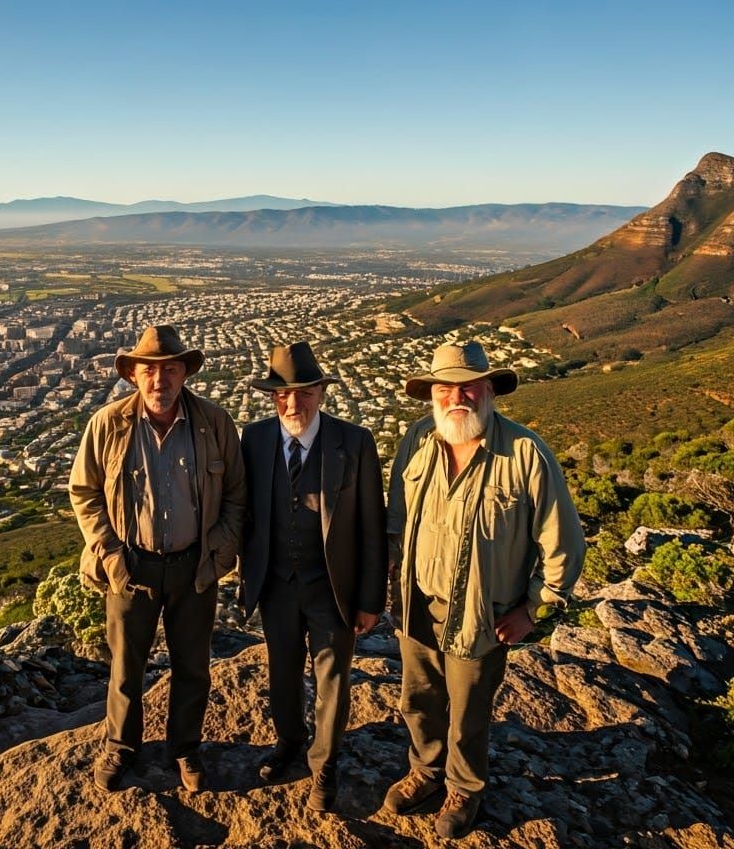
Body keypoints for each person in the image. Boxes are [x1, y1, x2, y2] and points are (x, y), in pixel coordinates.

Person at [382, 339, 585, 839]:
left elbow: (563, 543)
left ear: (488, 390)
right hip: (418, 602)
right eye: (446, 388)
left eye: (468, 387)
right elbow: (397, 519)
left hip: (482, 613)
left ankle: (464, 789)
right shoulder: (417, 440)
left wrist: (533, 609)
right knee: (419, 699)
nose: (458, 397)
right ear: (432, 394)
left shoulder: (524, 452)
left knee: (469, 711)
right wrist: (387, 582)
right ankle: (425, 772)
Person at [70, 324, 246, 793]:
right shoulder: (108, 425)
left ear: (185, 372)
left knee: (193, 666)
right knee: (127, 666)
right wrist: (109, 556)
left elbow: (236, 495)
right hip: (131, 564)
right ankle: (121, 746)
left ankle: (184, 748)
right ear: (133, 375)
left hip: (194, 566)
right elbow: (84, 492)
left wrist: (220, 554)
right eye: (149, 370)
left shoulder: (214, 423)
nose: (159, 380)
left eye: (170, 369)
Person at [240, 341, 387, 812]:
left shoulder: (355, 441)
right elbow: (244, 515)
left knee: (333, 681)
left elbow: (371, 525)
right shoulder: (255, 439)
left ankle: (324, 765)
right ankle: (288, 743)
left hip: (333, 588)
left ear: (322, 392)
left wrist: (370, 599)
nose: (293, 403)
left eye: (304, 393)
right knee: (281, 673)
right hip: (276, 584)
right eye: (282, 395)